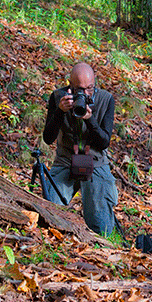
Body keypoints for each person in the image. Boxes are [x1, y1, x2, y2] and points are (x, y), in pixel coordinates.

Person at [42, 62, 118, 235]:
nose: (85, 94)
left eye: (90, 88)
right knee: (49, 213)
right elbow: (48, 138)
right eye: (79, 89)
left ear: (95, 84)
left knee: (102, 228)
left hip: (96, 162)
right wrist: (60, 111)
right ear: (70, 84)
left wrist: (90, 119)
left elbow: (104, 142)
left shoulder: (106, 100)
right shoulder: (58, 97)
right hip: (66, 160)